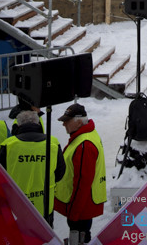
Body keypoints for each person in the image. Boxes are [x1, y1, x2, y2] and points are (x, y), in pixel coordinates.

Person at [0, 109, 65, 219]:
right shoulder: (52, 143)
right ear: (38, 124)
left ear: (18, 125)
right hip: (44, 204)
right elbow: (60, 173)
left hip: (16, 207)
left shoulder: (8, 145)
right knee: (44, 235)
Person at [54, 103, 107, 244]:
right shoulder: (85, 136)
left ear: (78, 122)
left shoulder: (84, 144)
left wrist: (73, 213)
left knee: (79, 237)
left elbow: (82, 183)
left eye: (67, 121)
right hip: (83, 204)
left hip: (80, 207)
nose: (63, 124)